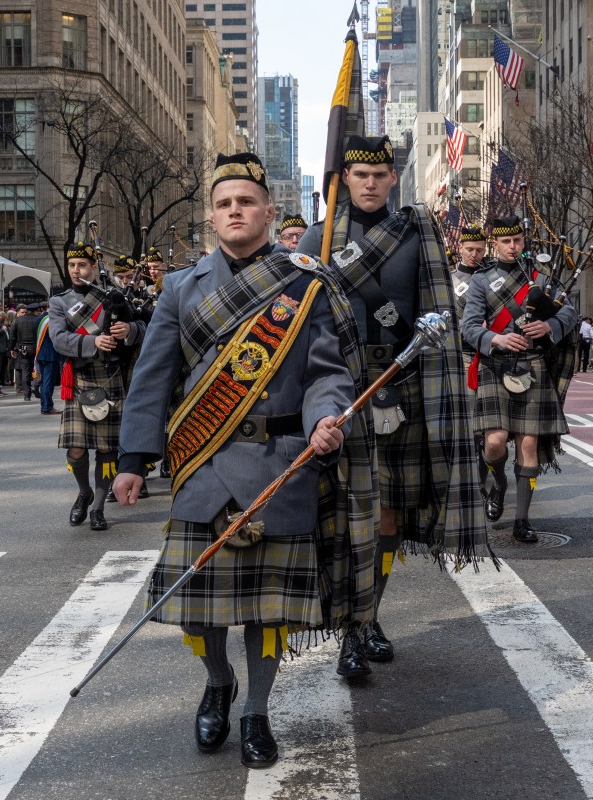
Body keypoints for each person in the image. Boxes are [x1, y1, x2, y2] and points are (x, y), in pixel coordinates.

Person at [111, 151, 370, 770]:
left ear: (268, 211)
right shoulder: (181, 287)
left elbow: (325, 375)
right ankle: (218, 681)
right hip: (202, 459)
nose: (235, 211)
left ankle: (256, 709)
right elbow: (152, 379)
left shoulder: (304, 283)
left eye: (246, 202)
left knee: (268, 611)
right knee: (198, 612)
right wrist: (131, 458)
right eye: (225, 203)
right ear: (211, 216)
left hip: (281, 461)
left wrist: (324, 421)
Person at [296, 134, 485, 679]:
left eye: (381, 175)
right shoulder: (319, 235)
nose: (372, 183)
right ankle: (350, 624)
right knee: (348, 515)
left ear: (392, 178)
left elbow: (439, 307)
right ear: (344, 179)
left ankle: (366, 617)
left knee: (388, 518)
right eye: (361, 175)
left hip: (403, 386)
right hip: (339, 386)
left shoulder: (415, 233)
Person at [461, 214, 578, 543]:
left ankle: (522, 520)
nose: (513, 247)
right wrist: (495, 339)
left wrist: (548, 327)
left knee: (528, 443)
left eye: (518, 241)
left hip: (532, 366)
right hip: (496, 367)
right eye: (506, 242)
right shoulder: (481, 281)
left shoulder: (541, 277)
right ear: (494, 244)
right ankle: (498, 483)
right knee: (494, 442)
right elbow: (469, 327)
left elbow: (569, 312)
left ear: (524, 241)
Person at [50, 240, 145, 530]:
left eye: (82, 265)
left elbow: (144, 326)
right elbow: (58, 338)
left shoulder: (113, 296)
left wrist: (129, 330)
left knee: (106, 450)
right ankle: (84, 492)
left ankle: (99, 508)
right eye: (71, 265)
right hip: (80, 379)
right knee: (76, 448)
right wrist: (93, 341)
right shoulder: (60, 302)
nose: (76, 270)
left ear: (93, 268)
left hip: (111, 376)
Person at [452, 223, 488, 319]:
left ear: (484, 251)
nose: (474, 255)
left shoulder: (490, 276)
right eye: (469, 249)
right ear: (461, 249)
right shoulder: (449, 279)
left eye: (479, 250)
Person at [33, 305, 61, 415]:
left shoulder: (39, 319)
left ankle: (45, 405)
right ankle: (47, 406)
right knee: (48, 383)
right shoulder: (52, 320)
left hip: (41, 353)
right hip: (51, 355)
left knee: (44, 382)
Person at [9, 303, 39, 401]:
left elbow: (12, 337)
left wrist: (12, 349)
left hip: (23, 348)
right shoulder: (37, 320)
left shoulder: (17, 321)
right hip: (35, 347)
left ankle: (27, 395)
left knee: (25, 371)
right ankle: (36, 387)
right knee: (37, 369)